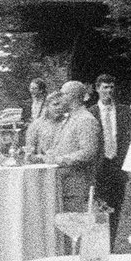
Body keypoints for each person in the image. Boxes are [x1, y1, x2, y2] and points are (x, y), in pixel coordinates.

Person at [90, 73, 131, 248]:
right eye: (105, 87)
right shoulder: (90, 113)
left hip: (117, 165)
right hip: (99, 167)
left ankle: (111, 246)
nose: (109, 91)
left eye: (111, 87)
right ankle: (99, 246)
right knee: (99, 208)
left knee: (115, 209)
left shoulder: (124, 111)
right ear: (97, 89)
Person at [51, 80, 101, 212]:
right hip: (63, 184)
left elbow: (88, 152)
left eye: (62, 94)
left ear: (71, 96)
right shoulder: (68, 119)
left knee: (75, 228)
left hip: (77, 187)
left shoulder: (86, 120)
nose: (59, 98)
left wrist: (58, 160)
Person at [24, 88, 64, 160]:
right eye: (55, 104)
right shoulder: (36, 125)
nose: (59, 108)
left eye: (62, 105)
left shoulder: (68, 122)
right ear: (47, 106)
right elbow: (29, 152)